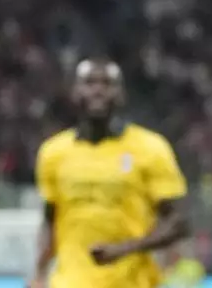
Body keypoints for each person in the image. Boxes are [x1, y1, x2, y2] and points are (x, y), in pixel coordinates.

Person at [29, 58, 190, 288]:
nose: (98, 90)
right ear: (75, 93)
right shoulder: (53, 153)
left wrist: (125, 248)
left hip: (132, 283)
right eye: (89, 82)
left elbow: (179, 223)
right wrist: (39, 273)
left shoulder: (151, 148)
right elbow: (50, 220)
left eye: (107, 83)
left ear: (121, 94)